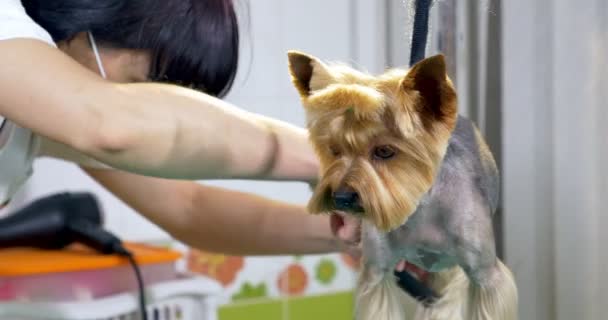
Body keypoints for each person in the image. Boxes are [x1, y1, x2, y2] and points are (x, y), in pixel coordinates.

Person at [0, 0, 361, 256]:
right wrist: (324, 156)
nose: (148, 115)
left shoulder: (35, 115)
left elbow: (188, 208)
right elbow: (113, 124)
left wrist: (365, 235)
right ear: (84, 28)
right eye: (140, 87)